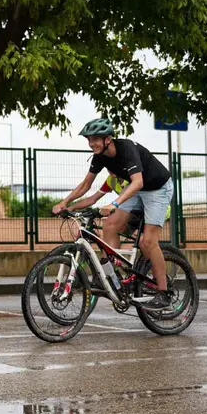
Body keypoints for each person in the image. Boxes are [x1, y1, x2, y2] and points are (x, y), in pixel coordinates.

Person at [52, 118, 174, 310]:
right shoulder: (99, 157)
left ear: (108, 139)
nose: (91, 144)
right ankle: (112, 275)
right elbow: (86, 185)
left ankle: (164, 292)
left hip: (157, 189)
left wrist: (115, 203)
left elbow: (138, 182)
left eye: (95, 140)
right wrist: (65, 203)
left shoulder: (127, 150)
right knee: (109, 226)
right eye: (89, 140)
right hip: (138, 190)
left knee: (148, 242)